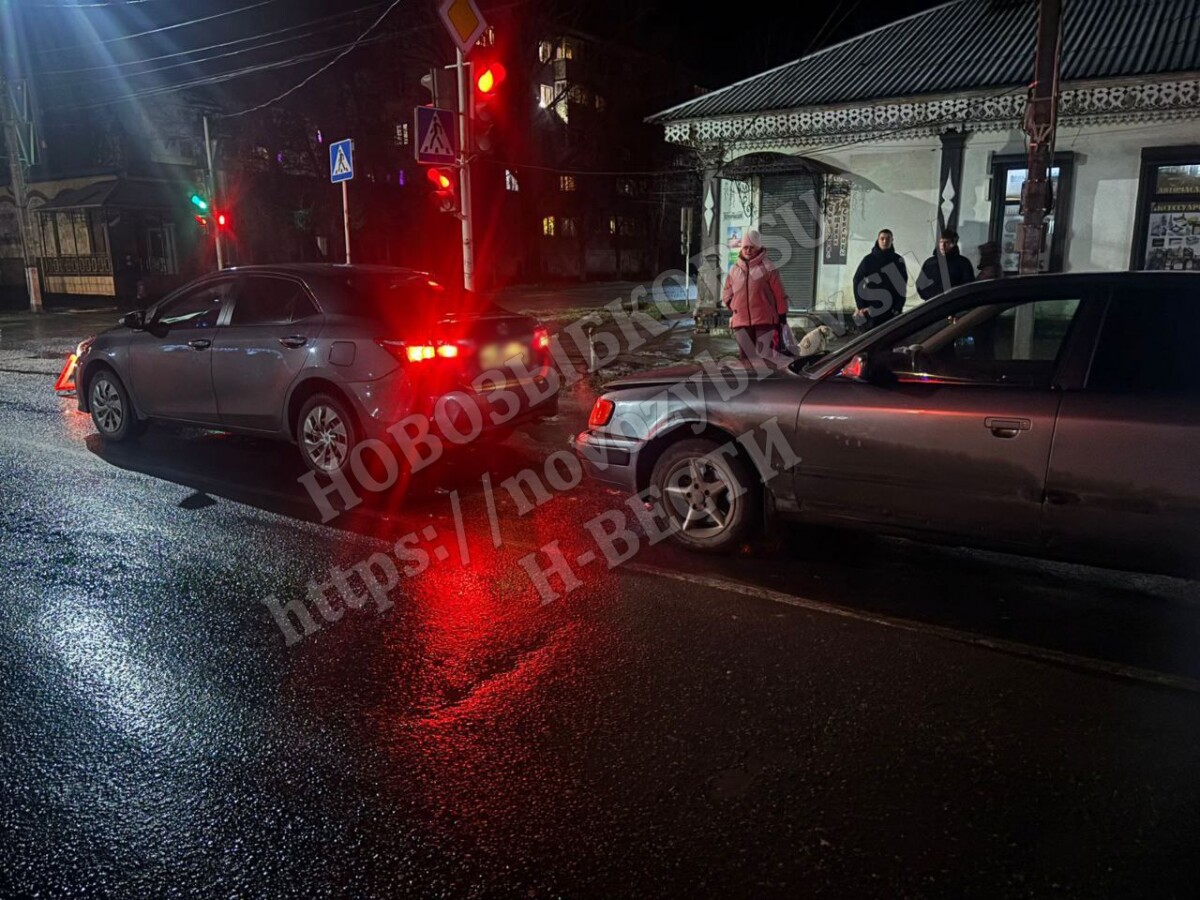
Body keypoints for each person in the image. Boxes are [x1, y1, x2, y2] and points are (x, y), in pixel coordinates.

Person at [721, 229, 789, 362]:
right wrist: (732, 305)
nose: (748, 250)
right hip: (741, 322)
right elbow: (727, 291)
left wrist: (782, 316)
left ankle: (764, 383)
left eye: (752, 247)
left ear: (758, 247)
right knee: (745, 360)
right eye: (745, 247)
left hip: (765, 322)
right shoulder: (735, 269)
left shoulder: (768, 267)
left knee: (765, 360)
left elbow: (779, 294)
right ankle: (750, 383)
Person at [852, 229, 909, 330]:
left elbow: (902, 286)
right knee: (869, 340)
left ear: (892, 240)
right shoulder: (868, 260)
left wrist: (898, 307)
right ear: (877, 240)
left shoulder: (898, 260)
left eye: (888, 239)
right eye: (882, 238)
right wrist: (860, 306)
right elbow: (857, 280)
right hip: (870, 308)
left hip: (891, 309)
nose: (885, 241)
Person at [917, 228, 976, 300]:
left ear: (953, 244)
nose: (943, 245)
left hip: (953, 304)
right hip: (932, 304)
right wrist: (932, 296)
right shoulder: (929, 263)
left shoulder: (963, 263)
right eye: (941, 242)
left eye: (947, 243)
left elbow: (967, 286)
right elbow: (920, 284)